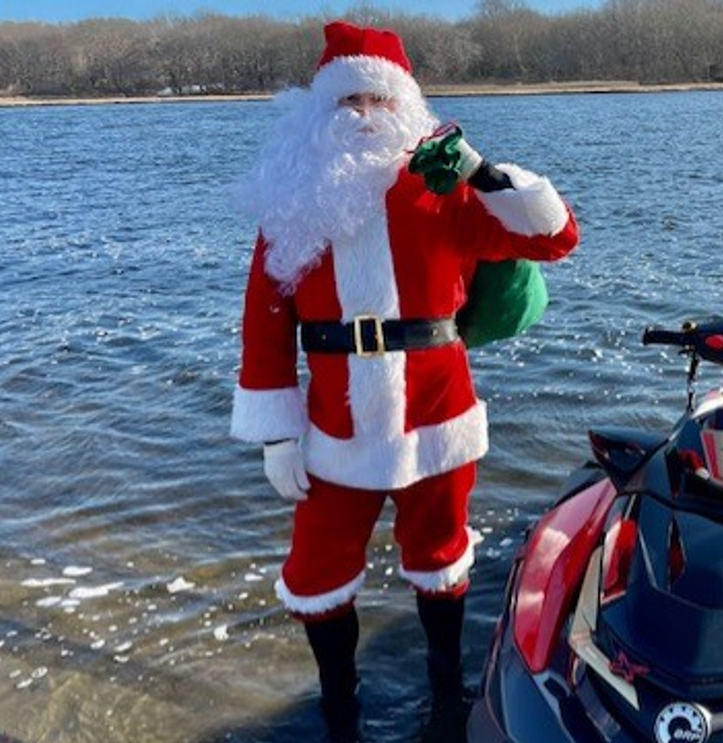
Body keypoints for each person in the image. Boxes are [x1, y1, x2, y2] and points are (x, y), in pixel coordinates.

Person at [229, 20, 579, 743]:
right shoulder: (292, 200)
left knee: (441, 558)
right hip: (334, 426)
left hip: (438, 414)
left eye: (377, 98)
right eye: (347, 99)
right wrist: (276, 432)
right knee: (317, 572)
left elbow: (555, 239)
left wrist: (482, 172)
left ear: (406, 106)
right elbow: (265, 323)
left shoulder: (444, 190)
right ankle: (338, 706)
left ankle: (446, 687)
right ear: (321, 110)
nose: (362, 113)